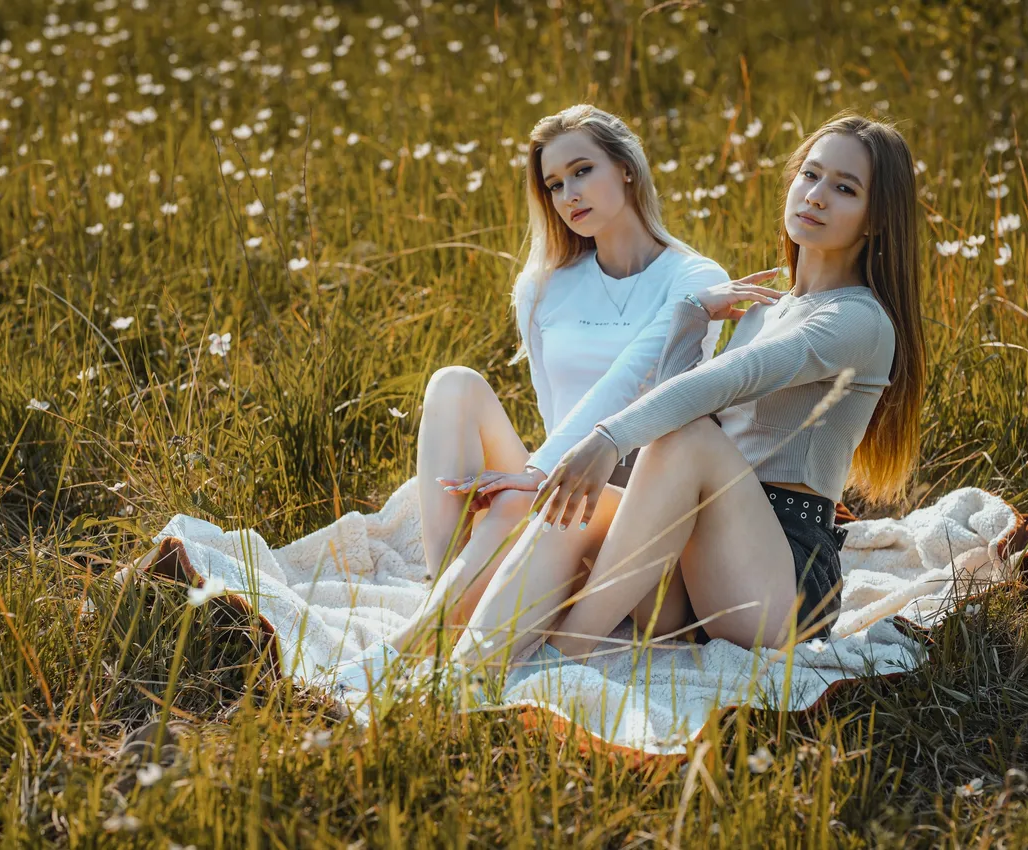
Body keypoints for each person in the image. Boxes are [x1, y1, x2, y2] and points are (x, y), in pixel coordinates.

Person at [451, 113, 927, 685]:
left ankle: (562, 660)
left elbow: (720, 389)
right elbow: (689, 411)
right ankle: (463, 671)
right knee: (574, 508)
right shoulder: (764, 309)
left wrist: (606, 438)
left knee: (679, 442)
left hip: (785, 585)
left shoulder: (859, 321)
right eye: (810, 175)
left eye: (844, 189)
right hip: (704, 565)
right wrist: (691, 315)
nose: (817, 197)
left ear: (877, 217)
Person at [326, 104, 768, 692]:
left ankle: (414, 644)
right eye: (554, 184)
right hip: (560, 485)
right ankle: (453, 598)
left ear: (627, 169)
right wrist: (535, 477)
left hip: (640, 510)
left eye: (582, 171)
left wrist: (535, 474)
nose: (568, 195)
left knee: (521, 503)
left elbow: (631, 382)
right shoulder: (541, 286)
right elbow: (551, 404)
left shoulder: (694, 279)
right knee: (453, 383)